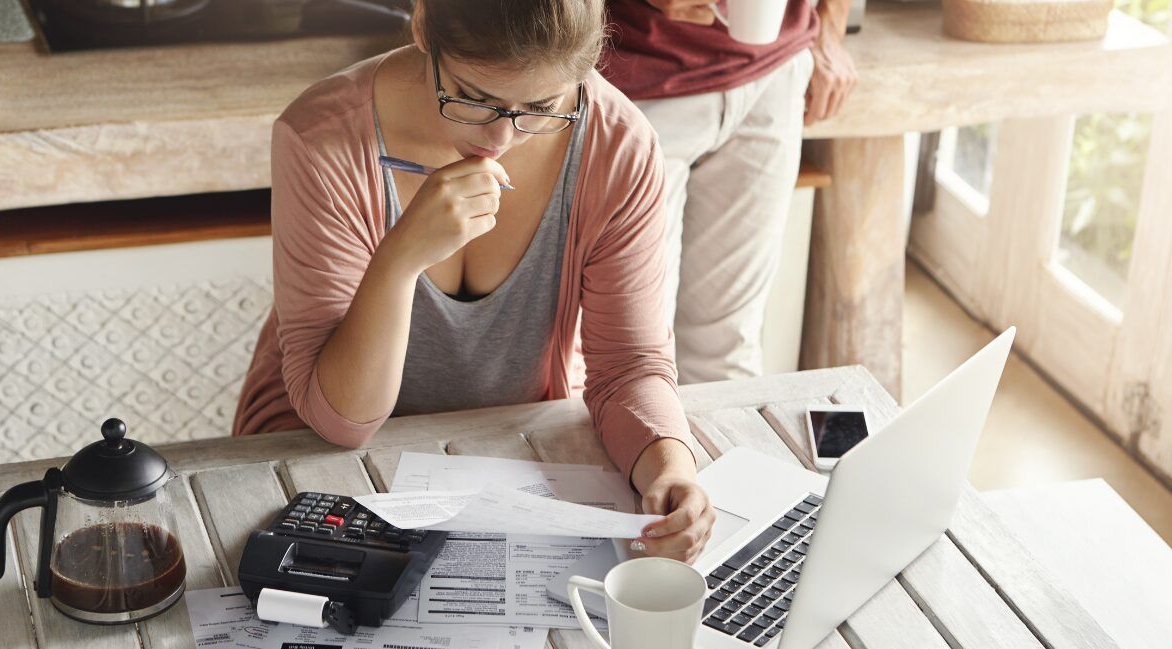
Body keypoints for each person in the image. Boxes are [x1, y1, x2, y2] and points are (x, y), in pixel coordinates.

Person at [232, 0, 715, 562]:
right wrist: (400, 259)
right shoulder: (322, 136)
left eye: (540, 106)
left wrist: (671, 467)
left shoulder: (617, 145)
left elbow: (628, 366)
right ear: (420, 27)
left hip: (508, 457)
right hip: (313, 456)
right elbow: (342, 419)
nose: (502, 138)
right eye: (473, 98)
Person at [600, 0, 858, 383]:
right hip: (630, 83)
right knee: (632, 358)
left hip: (774, 73)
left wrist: (829, 27)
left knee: (728, 350)